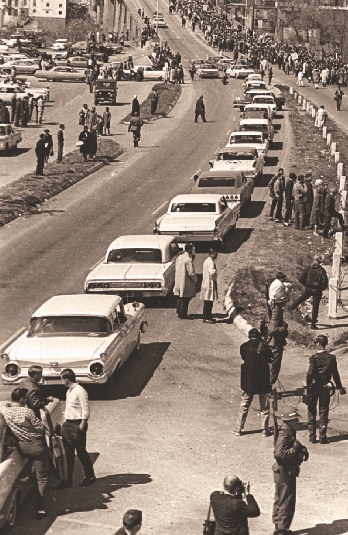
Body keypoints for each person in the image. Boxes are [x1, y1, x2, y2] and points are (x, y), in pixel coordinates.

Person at [0, 388, 50, 519]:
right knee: (42, 478)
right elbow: (39, 427)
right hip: (36, 446)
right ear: (22, 399)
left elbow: (3, 403)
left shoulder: (5, 410)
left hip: (22, 446)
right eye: (26, 397)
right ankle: (41, 509)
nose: (28, 398)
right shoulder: (27, 412)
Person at [55, 368, 96, 489]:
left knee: (81, 452)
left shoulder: (80, 391)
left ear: (66, 379)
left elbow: (85, 408)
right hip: (68, 424)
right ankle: (68, 481)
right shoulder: (69, 392)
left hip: (77, 424)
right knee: (68, 454)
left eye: (62, 380)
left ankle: (90, 477)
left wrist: (82, 425)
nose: (62, 382)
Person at [272, 408, 309, 535]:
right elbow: (279, 453)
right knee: (286, 500)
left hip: (284, 469)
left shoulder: (288, 430)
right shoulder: (285, 433)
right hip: (284, 470)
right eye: (295, 419)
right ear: (289, 420)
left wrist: (301, 449)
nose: (297, 421)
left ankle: (279, 527)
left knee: (281, 498)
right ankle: (282, 530)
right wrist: (295, 449)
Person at [233, 328, 273, 437]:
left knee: (244, 404)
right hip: (263, 381)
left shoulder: (244, 347)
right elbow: (271, 359)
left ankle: (238, 429)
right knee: (264, 406)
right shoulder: (265, 347)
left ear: (249, 336)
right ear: (259, 336)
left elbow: (244, 357)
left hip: (249, 381)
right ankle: (265, 429)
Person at [306, 335, 346, 444]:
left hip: (313, 387)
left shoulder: (313, 358)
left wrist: (307, 384)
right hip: (325, 388)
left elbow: (310, 373)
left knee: (311, 411)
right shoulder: (331, 358)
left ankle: (312, 437)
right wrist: (340, 387)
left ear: (318, 344)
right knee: (323, 411)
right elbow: (335, 374)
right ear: (325, 344)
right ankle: (323, 437)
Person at [289, 255, 328, 329]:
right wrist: (320, 289)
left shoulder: (308, 268)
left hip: (308, 288)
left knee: (301, 298)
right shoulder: (322, 270)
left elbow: (301, 278)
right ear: (320, 261)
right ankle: (313, 324)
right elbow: (325, 283)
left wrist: (306, 285)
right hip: (317, 290)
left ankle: (291, 308)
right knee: (315, 307)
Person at [173, 242, 197, 319]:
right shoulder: (188, 259)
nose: (194, 252)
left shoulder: (180, 257)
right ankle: (183, 314)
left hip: (179, 279)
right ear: (189, 250)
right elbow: (191, 272)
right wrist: (195, 280)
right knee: (185, 298)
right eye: (193, 250)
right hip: (186, 281)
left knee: (180, 296)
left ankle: (179, 311)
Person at [201, 248, 218, 324]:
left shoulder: (206, 261)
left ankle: (208, 316)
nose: (216, 255)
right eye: (215, 254)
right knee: (209, 302)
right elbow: (211, 273)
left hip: (205, 282)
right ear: (211, 254)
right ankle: (206, 318)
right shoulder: (211, 262)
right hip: (209, 284)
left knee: (207, 301)